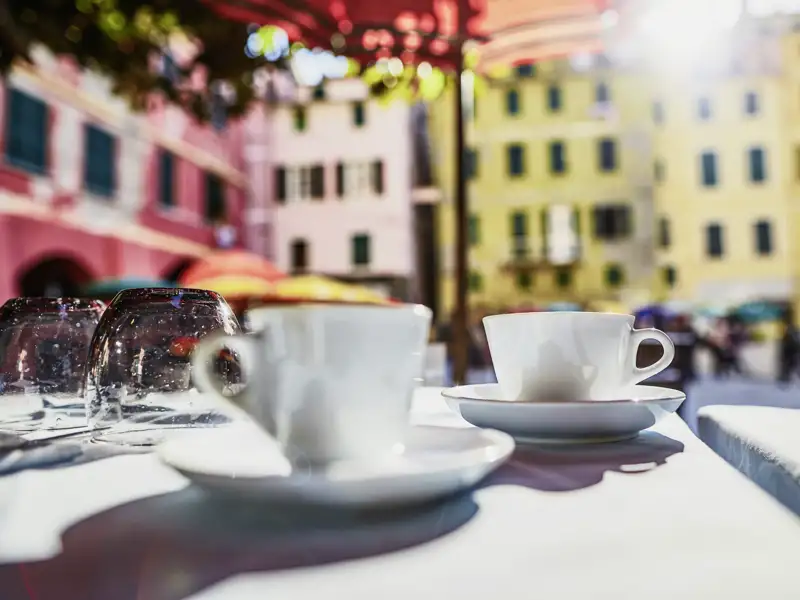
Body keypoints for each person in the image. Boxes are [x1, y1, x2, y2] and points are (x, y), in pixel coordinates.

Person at [778, 309, 799, 384]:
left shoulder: (790, 328)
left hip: (790, 349)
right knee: (790, 363)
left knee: (790, 363)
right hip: (789, 348)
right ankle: (785, 376)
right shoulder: (788, 327)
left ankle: (785, 376)